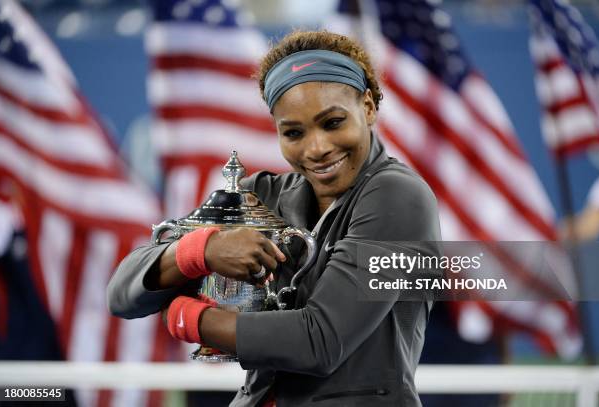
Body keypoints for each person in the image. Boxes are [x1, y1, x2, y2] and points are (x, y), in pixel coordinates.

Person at [107, 30, 442, 406]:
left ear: (368, 107)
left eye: (332, 122)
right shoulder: (261, 195)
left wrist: (187, 318)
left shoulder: (399, 195)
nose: (317, 148)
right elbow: (122, 294)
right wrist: (200, 251)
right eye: (294, 132)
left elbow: (319, 341)